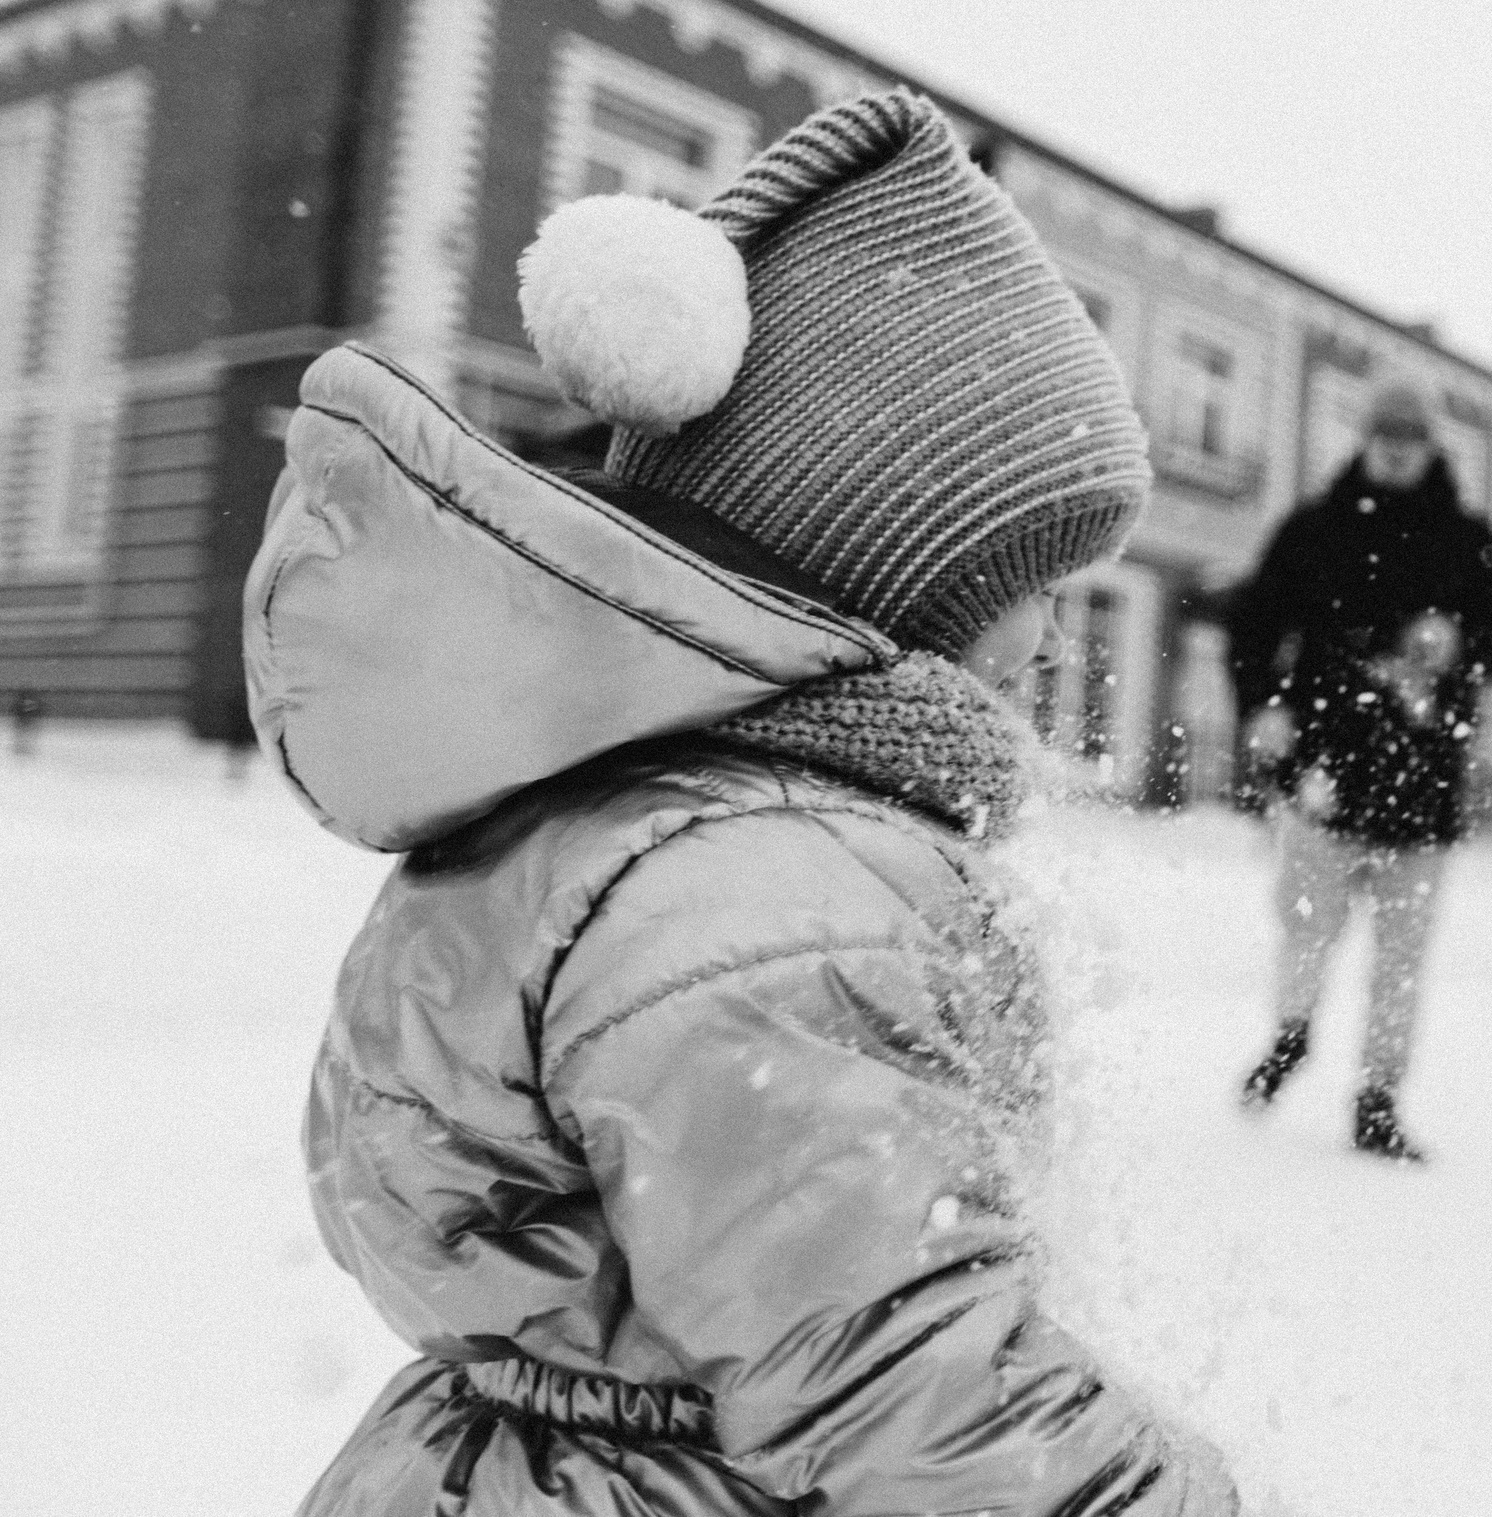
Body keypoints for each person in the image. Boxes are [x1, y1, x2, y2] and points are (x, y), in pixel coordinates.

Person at [253, 92, 1235, 1514]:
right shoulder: (782, 896)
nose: (1049, 640)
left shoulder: (657, 814)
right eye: (1032, 576)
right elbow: (899, 1386)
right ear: (895, 568)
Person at [1223, 379, 1492, 1162]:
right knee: (1303, 931)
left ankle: (1378, 1098)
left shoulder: (1466, 538)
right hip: (1324, 774)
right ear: (1363, 439)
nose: (1395, 448)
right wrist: (1264, 703)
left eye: (1410, 436)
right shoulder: (1314, 529)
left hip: (1423, 786)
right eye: (1383, 434)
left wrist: (1458, 638)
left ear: (1429, 447)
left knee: (1401, 959)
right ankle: (1291, 1034)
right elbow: (1254, 625)